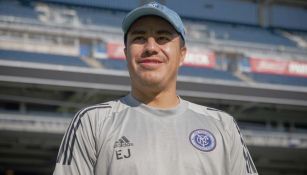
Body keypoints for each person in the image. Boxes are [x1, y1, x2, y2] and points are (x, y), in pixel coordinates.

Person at [53, 2, 258, 175]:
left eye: (163, 38)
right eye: (139, 38)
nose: (151, 47)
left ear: (182, 55)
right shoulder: (91, 123)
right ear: (126, 54)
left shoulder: (223, 126)